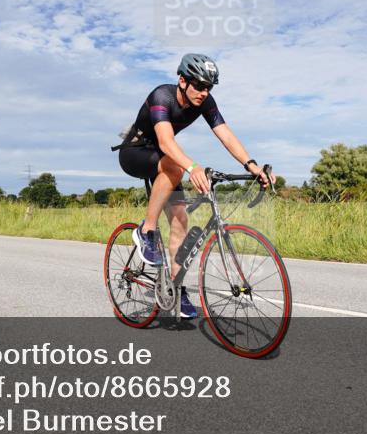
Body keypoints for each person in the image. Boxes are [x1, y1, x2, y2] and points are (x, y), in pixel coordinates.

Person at [115, 53, 272, 318]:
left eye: (208, 87)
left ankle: (175, 290)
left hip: (165, 161)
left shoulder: (204, 102)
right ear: (182, 81)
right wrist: (192, 167)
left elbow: (225, 133)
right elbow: (165, 142)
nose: (203, 92)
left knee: (180, 222)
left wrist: (251, 164)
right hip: (135, 153)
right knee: (176, 165)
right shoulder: (161, 96)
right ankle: (146, 230)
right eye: (199, 86)